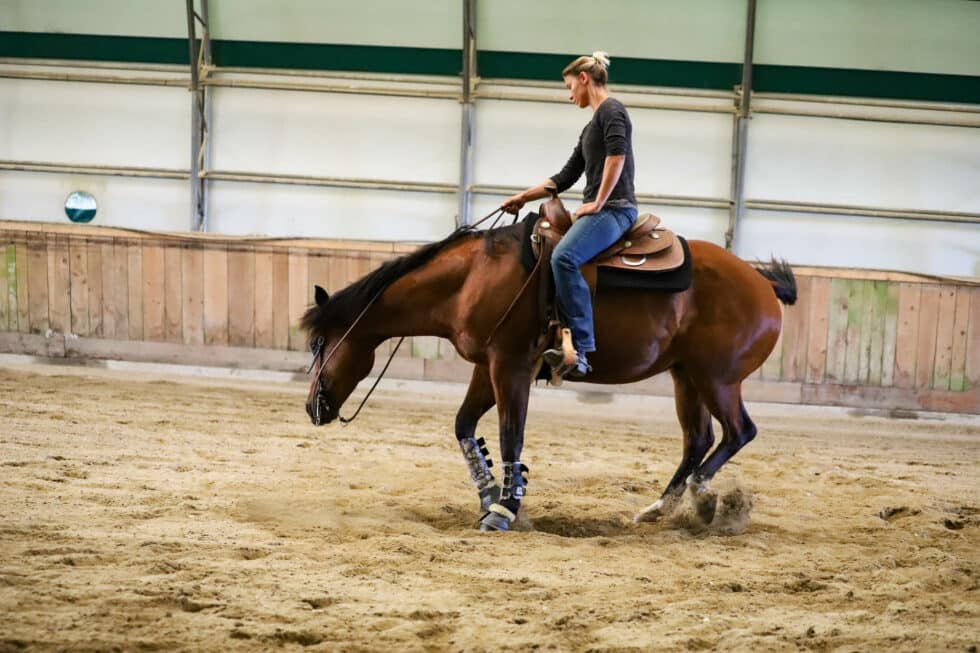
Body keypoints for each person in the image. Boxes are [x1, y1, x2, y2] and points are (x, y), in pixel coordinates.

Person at [501, 51, 638, 379]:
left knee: (563, 257)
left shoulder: (612, 111)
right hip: (601, 209)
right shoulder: (591, 126)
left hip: (616, 210)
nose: (569, 94)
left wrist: (598, 202)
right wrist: (522, 197)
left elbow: (616, 158)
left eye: (569, 86)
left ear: (584, 79)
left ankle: (582, 348)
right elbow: (563, 178)